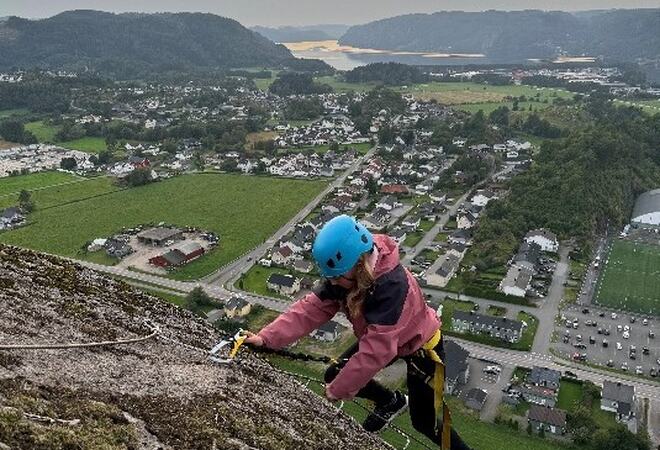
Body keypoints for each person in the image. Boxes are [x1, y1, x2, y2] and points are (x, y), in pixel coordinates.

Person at [245, 215, 470, 449]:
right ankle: (390, 402)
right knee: (335, 373)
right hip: (389, 339)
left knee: (425, 422)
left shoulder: (391, 288)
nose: (331, 283)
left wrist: (339, 391)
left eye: (335, 278)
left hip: (423, 348)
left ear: (357, 265)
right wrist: (266, 338)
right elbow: (310, 309)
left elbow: (376, 351)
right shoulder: (347, 276)